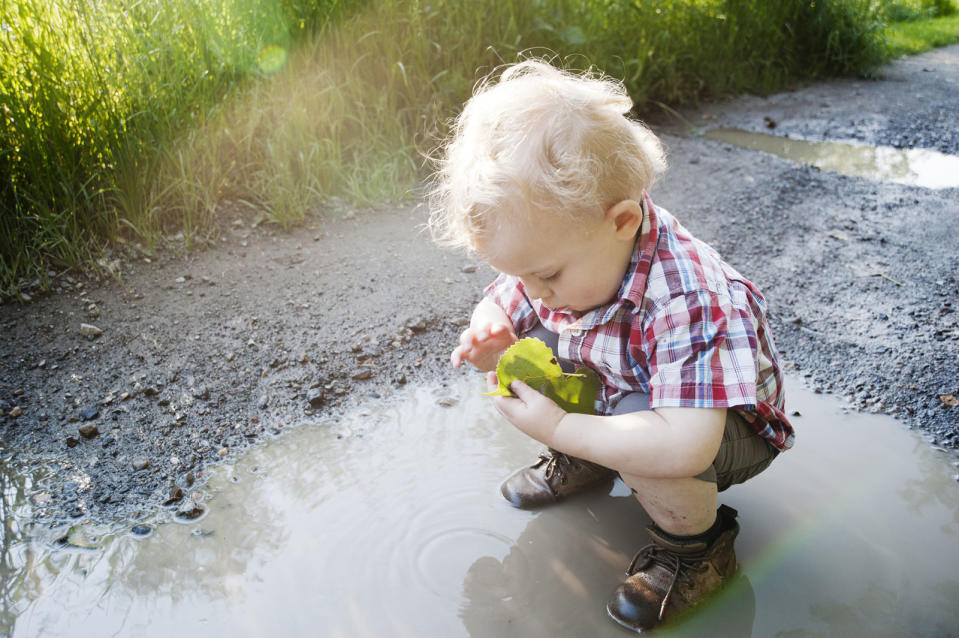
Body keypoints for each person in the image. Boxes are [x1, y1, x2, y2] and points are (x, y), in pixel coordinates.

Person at [427, 58, 794, 633]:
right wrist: (489, 324)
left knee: (638, 423)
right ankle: (591, 460)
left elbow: (684, 447)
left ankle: (694, 552)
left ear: (623, 220)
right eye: (522, 276)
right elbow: (508, 295)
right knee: (546, 334)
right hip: (641, 392)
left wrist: (559, 428)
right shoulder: (574, 249)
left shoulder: (687, 295)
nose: (533, 291)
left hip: (722, 428)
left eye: (545, 275)